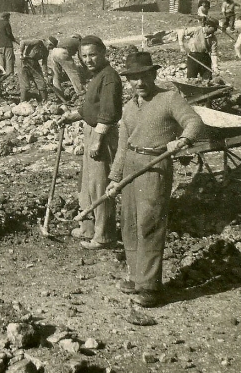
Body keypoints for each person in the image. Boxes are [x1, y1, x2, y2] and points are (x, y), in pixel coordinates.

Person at [106, 51, 204, 307]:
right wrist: (115, 177)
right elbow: (122, 147)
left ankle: (150, 287)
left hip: (155, 165)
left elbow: (194, 121)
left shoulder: (169, 98)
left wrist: (182, 140)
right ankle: (136, 277)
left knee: (149, 223)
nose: (139, 83)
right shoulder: (128, 108)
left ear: (153, 74)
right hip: (131, 166)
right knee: (129, 224)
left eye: (143, 76)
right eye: (133, 78)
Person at [58, 36, 123, 250]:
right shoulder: (97, 76)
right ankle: (88, 227)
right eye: (84, 56)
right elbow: (91, 108)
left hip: (101, 134)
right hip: (91, 131)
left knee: (100, 185)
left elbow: (108, 112)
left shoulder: (110, 77)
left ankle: (104, 235)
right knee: (87, 183)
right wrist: (73, 116)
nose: (89, 60)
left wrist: (98, 140)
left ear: (103, 52)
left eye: (93, 54)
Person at [18, 38, 49, 102]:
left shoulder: (46, 51)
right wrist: (21, 53)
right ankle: (22, 101)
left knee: (41, 82)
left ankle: (44, 101)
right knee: (25, 85)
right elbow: (23, 42)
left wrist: (45, 74)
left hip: (35, 64)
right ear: (49, 43)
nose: (50, 48)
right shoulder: (37, 42)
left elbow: (44, 63)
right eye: (50, 46)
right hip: (25, 62)